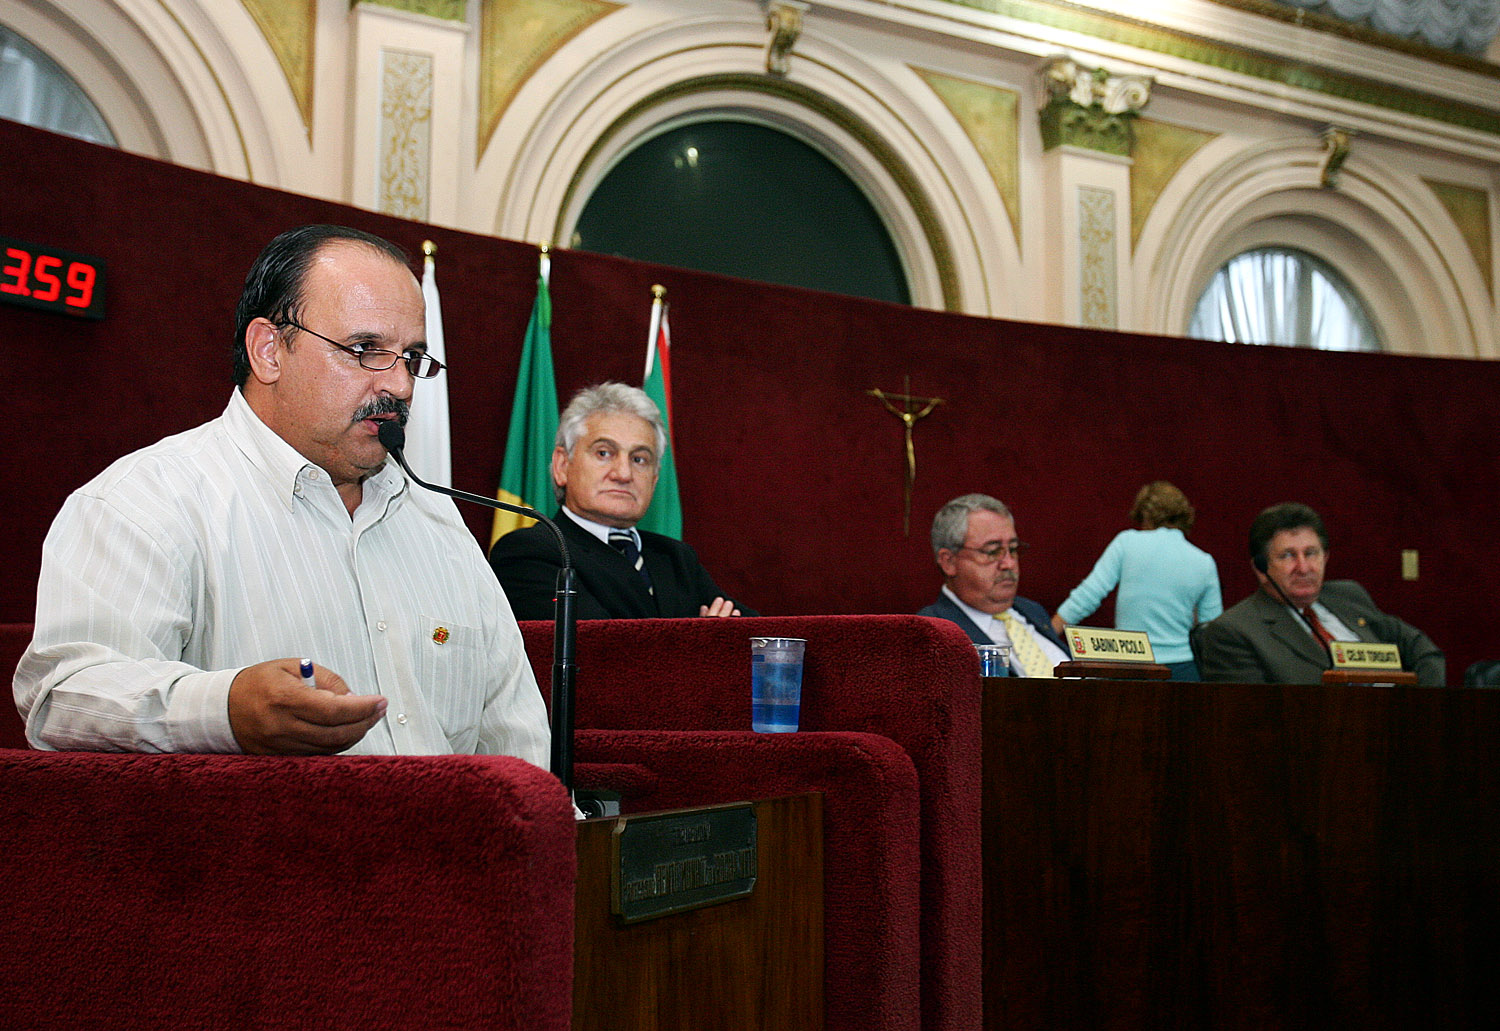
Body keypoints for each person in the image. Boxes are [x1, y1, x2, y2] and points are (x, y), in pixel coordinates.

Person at [13, 224, 551, 762]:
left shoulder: (437, 518)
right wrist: (227, 711)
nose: (401, 386)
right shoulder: (145, 503)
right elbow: (63, 698)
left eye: (410, 357)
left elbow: (513, 727)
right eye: (365, 349)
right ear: (269, 350)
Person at [488, 382, 754, 620]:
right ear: (562, 465)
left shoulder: (676, 559)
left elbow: (759, 638)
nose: (623, 474)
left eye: (639, 459)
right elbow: (601, 652)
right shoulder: (531, 551)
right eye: (604, 453)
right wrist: (705, 641)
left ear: (655, 478)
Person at [1197, 502, 1445, 685]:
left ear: (1326, 557)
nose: (1303, 568)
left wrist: (1420, 711)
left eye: (1311, 553)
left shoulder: (1348, 596)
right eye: (1288, 556)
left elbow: (1423, 650)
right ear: (1261, 568)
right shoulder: (1234, 631)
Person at [1049, 481, 1222, 680]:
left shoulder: (1126, 542)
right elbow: (1210, 631)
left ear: (1144, 515)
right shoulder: (1204, 562)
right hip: (1183, 669)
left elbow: (1088, 595)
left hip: (1129, 665)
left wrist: (1047, 631)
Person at [918, 493, 1070, 677]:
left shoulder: (1031, 610)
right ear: (949, 562)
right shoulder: (932, 634)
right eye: (992, 551)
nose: (1009, 564)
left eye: (1012, 549)